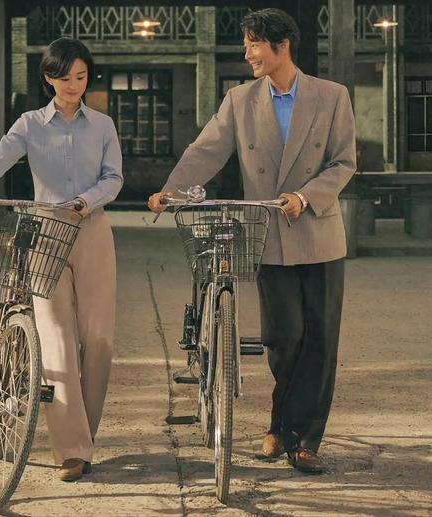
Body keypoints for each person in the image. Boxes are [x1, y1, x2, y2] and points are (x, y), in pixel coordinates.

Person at [148, 8, 356, 473]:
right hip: (268, 235)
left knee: (320, 339)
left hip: (319, 232)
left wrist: (305, 195)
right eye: (246, 45)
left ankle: (301, 438)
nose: (248, 55)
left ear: (282, 45)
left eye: (254, 45)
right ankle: (283, 423)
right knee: (284, 337)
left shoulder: (331, 96)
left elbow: (343, 162)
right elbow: (206, 150)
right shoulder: (240, 100)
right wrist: (171, 192)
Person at [0, 37, 123, 482]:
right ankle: (73, 450)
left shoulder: (102, 125)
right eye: (65, 78)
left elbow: (114, 177)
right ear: (49, 78)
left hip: (92, 231)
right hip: (46, 235)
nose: (74, 85)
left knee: (97, 340)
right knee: (56, 338)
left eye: (81, 77)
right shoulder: (30, 124)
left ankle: (85, 434)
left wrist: (86, 201)